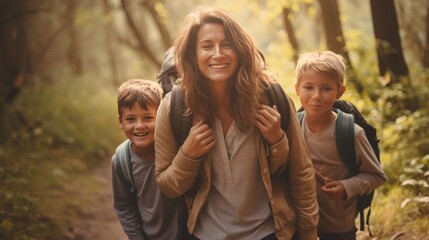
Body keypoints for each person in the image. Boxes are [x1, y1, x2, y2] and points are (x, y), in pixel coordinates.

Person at [154, 5, 318, 240]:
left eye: (227, 44)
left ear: (240, 50)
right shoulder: (174, 108)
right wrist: (188, 155)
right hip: (204, 235)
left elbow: (301, 172)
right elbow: (167, 185)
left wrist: (277, 141)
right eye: (207, 46)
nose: (218, 54)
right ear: (193, 54)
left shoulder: (271, 98)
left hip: (270, 232)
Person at [294, 51, 387, 240]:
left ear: (339, 91)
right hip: (300, 222)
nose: (316, 96)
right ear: (297, 88)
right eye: (309, 87)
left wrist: (347, 187)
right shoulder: (292, 128)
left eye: (326, 89)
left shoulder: (351, 133)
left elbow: (376, 176)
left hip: (338, 226)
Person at [112, 79, 186, 240]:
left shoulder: (176, 150)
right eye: (130, 119)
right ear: (120, 122)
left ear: (161, 117)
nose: (139, 126)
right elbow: (124, 206)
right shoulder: (121, 160)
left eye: (148, 118)